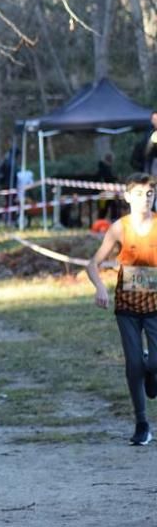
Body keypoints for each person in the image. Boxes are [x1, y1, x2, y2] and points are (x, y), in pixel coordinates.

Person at [86, 173, 157, 447]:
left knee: (151, 364)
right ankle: (142, 423)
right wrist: (100, 288)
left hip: (155, 307)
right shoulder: (119, 228)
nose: (145, 199)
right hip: (127, 306)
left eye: (149, 194)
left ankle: (153, 367)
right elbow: (93, 264)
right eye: (138, 194)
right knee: (134, 365)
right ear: (127, 197)